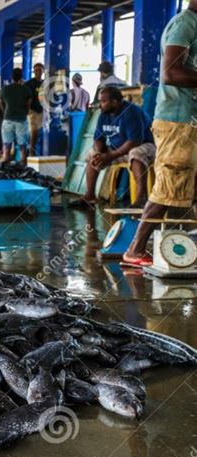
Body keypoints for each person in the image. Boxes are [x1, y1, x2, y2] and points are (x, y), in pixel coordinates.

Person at [123, 2, 197, 267]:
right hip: (176, 121)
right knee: (168, 185)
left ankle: (185, 244)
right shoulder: (184, 23)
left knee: (187, 185)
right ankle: (135, 249)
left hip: (189, 121)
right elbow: (172, 72)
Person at [70, 87, 155, 209]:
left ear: (115, 102)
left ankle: (141, 198)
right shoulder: (104, 114)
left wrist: (110, 156)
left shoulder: (131, 112)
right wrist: (100, 153)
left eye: (103, 102)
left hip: (145, 145)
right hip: (119, 150)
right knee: (93, 153)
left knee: (136, 153)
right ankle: (90, 196)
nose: (100, 105)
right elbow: (98, 138)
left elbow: (135, 141)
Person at [0, 68, 32, 166]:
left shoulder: (5, 89)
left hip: (7, 119)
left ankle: (6, 172)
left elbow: (0, 101)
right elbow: (29, 103)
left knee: (7, 146)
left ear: (11, 77)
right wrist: (24, 112)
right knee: (22, 147)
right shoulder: (26, 89)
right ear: (21, 77)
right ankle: (24, 169)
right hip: (21, 119)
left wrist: (5, 111)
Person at [25, 63, 44, 156]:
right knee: (34, 132)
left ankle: (39, 153)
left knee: (41, 133)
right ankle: (31, 153)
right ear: (33, 71)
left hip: (43, 111)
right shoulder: (29, 84)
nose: (38, 72)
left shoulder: (45, 83)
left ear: (43, 71)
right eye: (36, 70)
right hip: (32, 111)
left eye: (40, 70)